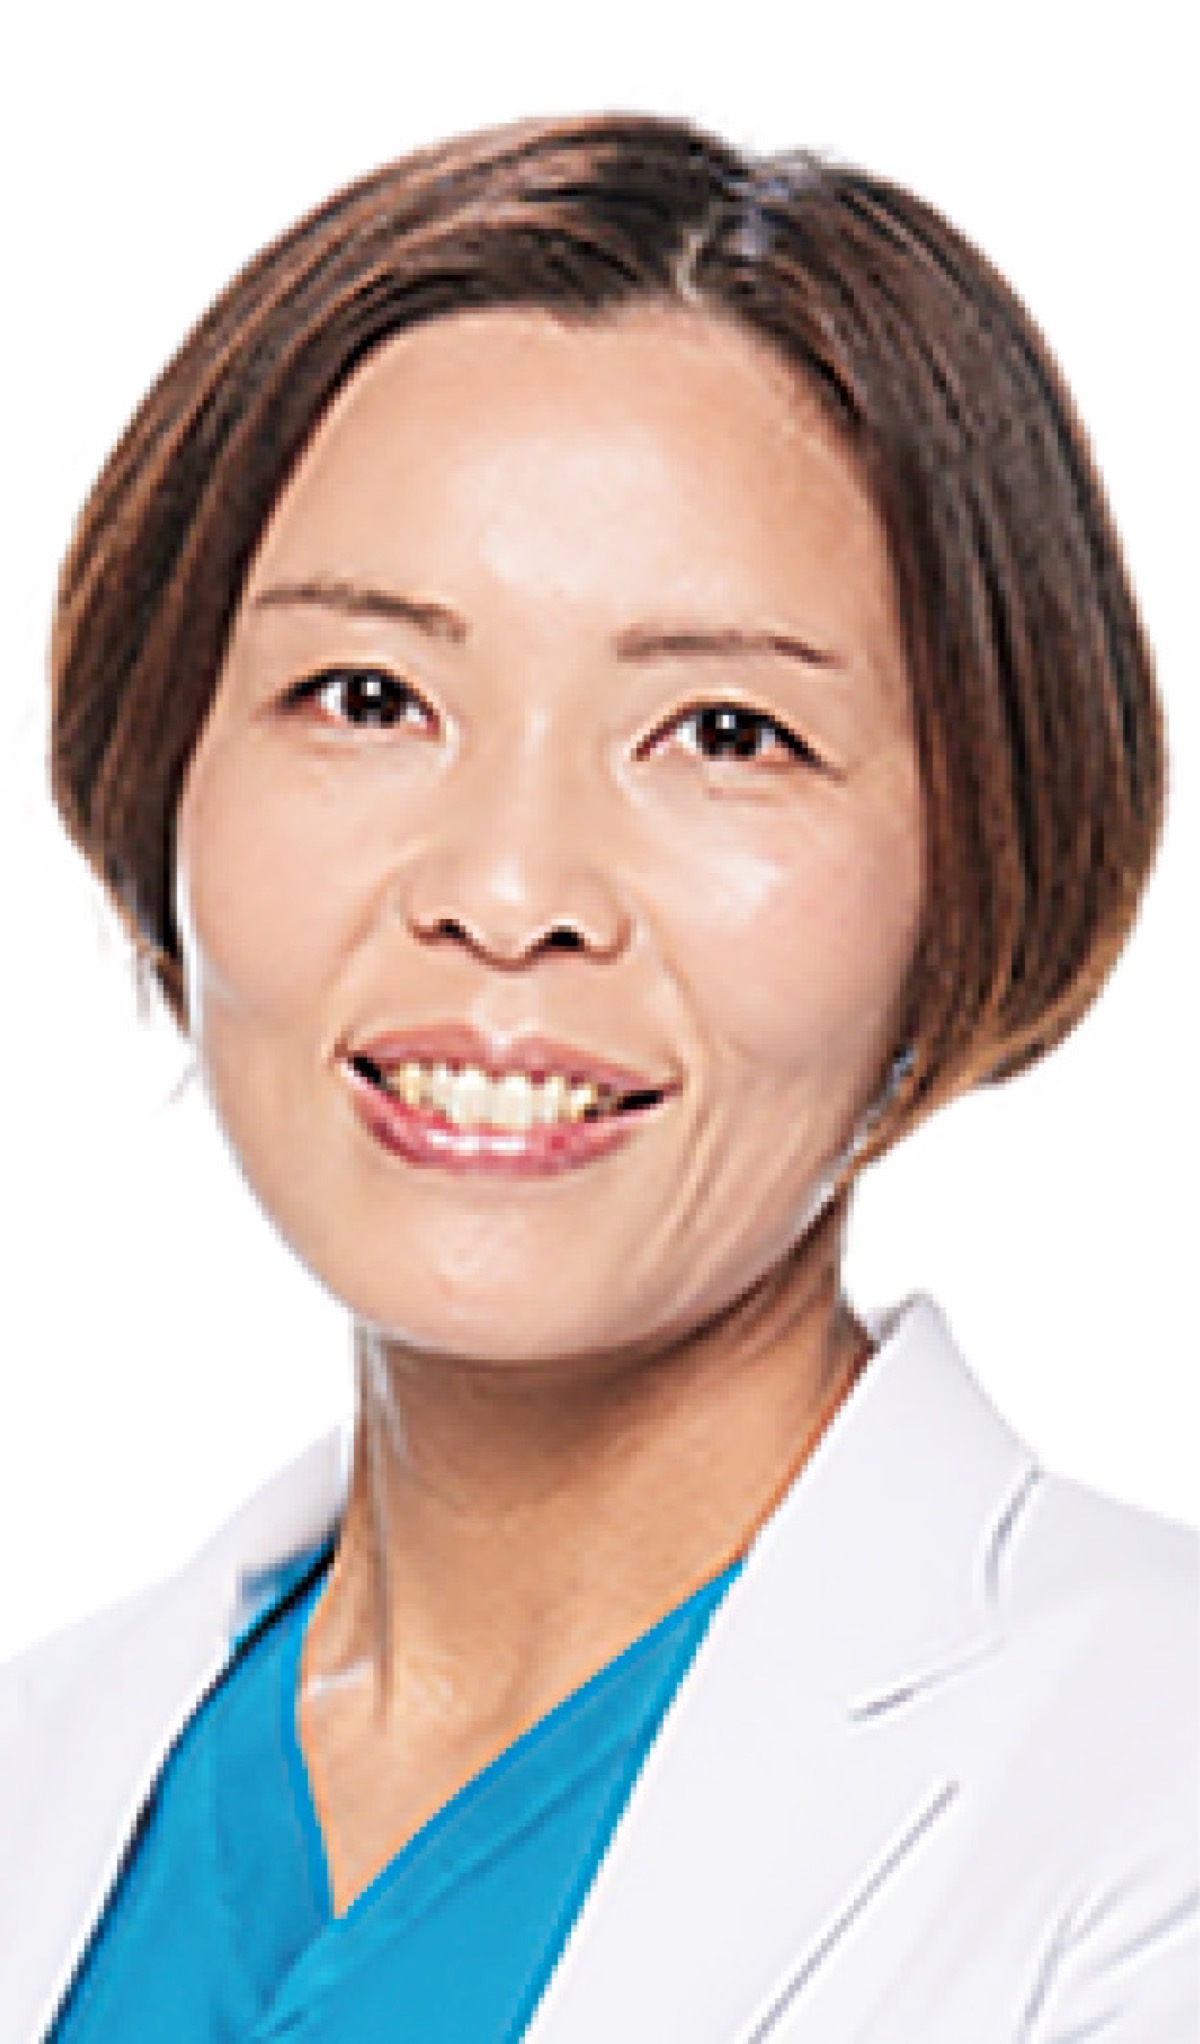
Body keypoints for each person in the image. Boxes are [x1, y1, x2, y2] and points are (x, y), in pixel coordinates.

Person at [1, 112, 1194, 2042]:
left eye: (724, 732)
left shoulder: (1147, 1798)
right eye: (370, 698)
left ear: (978, 864)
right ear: (163, 783)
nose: (505, 891)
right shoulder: (55, 1761)